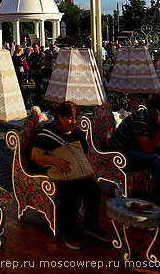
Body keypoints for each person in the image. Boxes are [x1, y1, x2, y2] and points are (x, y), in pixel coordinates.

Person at [30, 101, 110, 250]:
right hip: (60, 177)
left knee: (94, 190)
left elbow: (84, 156)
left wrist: (93, 176)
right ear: (59, 117)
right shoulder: (47, 132)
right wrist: (54, 160)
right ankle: (69, 233)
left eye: (76, 118)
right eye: (70, 118)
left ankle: (91, 225)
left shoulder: (78, 133)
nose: (74, 122)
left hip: (78, 174)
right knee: (71, 194)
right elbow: (35, 155)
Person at [110, 95, 160, 217]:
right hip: (123, 154)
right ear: (155, 112)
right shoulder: (140, 119)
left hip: (139, 150)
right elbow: (148, 149)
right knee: (156, 159)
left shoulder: (159, 120)